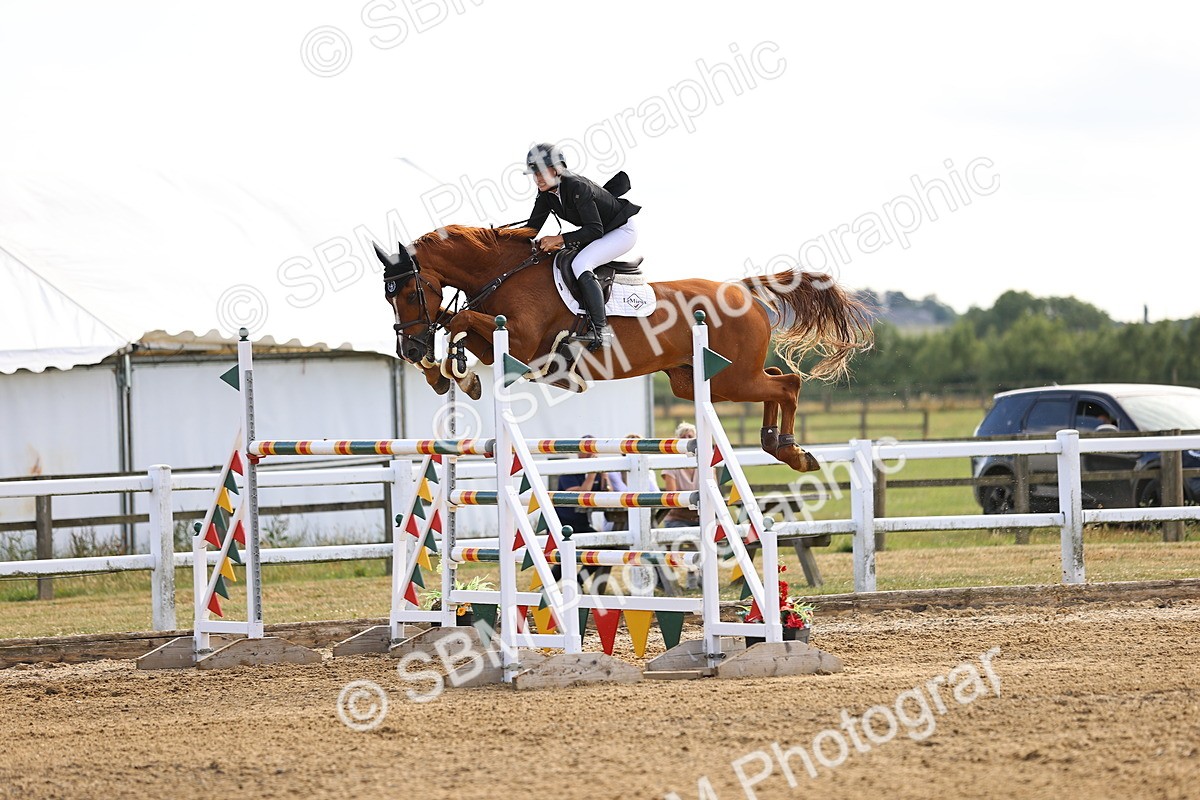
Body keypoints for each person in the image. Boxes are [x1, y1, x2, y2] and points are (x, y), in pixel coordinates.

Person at [523, 142, 642, 350]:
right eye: (534, 173)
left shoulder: (577, 186)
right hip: (601, 231)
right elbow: (531, 229)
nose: (537, 178)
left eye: (541, 172)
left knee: (581, 264)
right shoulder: (546, 195)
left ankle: (601, 330)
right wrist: (499, 237)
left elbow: (594, 230)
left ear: (557, 169)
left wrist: (559, 239)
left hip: (621, 231)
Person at [660, 422, 701, 589]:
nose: (686, 440)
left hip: (699, 516)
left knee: (710, 533)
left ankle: (698, 575)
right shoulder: (671, 463)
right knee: (687, 536)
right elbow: (673, 498)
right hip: (677, 518)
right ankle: (682, 578)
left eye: (690, 437)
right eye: (682, 437)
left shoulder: (704, 461)